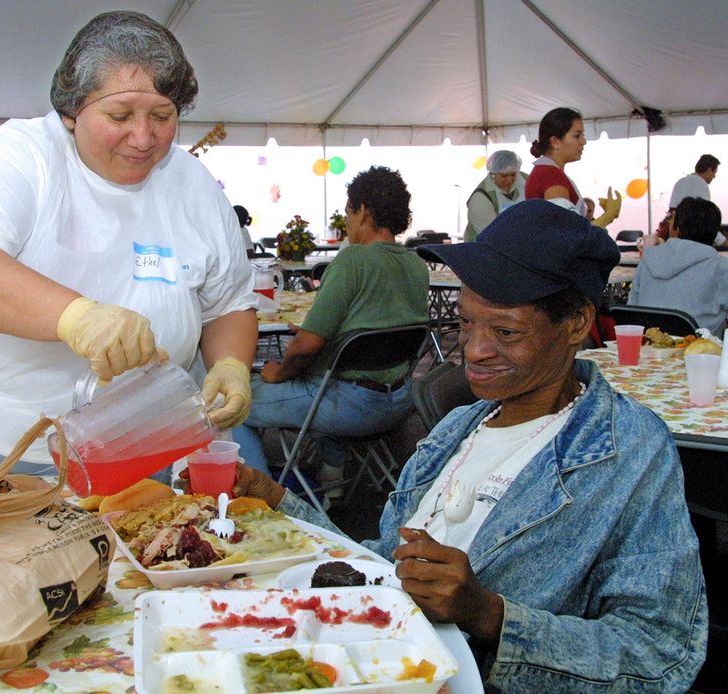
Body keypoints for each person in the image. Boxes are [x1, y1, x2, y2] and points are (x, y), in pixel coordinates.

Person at [226, 199, 707, 691]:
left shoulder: (627, 450)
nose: (474, 350)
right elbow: (382, 566)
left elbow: (660, 654)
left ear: (577, 324)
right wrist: (276, 503)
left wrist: (492, 617)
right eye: (466, 322)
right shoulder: (457, 429)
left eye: (504, 331)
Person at [0, 11, 258, 472]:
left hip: (148, 435)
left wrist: (231, 365)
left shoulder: (192, 184)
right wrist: (77, 317)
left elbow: (227, 303)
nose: (143, 138)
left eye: (162, 116)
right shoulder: (22, 155)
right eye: (119, 115)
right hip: (10, 435)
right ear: (70, 111)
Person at [232, 166, 428, 502]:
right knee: (329, 375)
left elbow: (306, 347)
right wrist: (324, 335)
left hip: (351, 406)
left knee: (234, 404)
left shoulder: (353, 260)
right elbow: (377, 330)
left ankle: (261, 499)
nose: (347, 221)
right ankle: (332, 480)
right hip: (400, 401)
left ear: (363, 210)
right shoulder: (416, 265)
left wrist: (278, 372)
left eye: (348, 212)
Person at [629, 196, 728, 334]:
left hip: (646, 348)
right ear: (714, 233)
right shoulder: (721, 268)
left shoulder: (647, 261)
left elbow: (631, 311)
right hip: (699, 352)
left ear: (676, 229)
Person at [525, 107, 621, 227]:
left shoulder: (546, 171)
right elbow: (566, 235)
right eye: (577, 136)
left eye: (583, 135)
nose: (583, 141)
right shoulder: (550, 175)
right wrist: (608, 215)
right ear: (555, 142)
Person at [463, 150, 527, 241]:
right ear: (493, 174)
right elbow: (491, 237)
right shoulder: (480, 199)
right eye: (504, 176)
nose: (509, 180)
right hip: (483, 248)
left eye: (513, 174)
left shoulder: (525, 181)